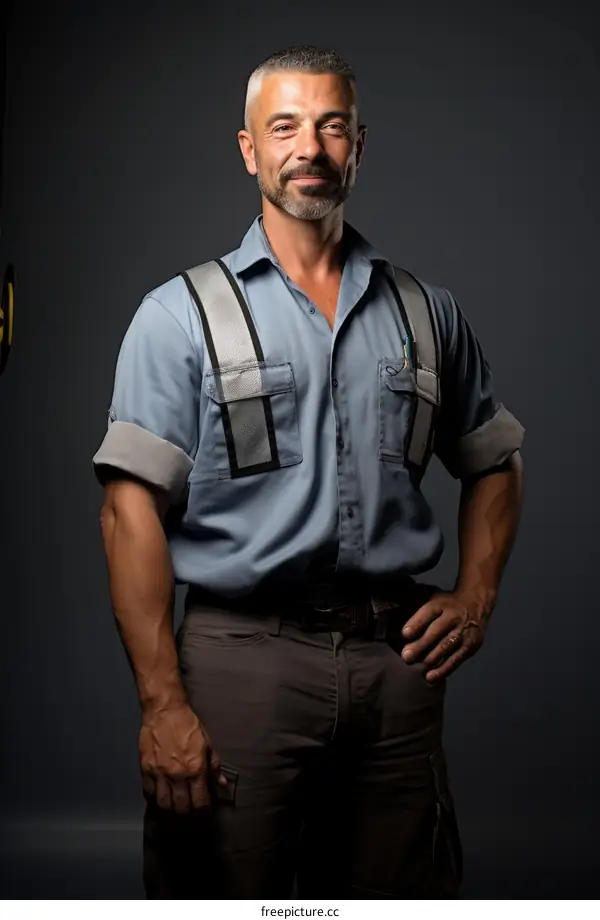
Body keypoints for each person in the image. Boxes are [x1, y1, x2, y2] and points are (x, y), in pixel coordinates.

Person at [92, 45, 525, 899]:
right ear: (250, 149)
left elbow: (496, 459)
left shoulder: (426, 311)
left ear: (359, 146)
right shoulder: (178, 316)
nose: (311, 148)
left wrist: (475, 598)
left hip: (398, 670)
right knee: (219, 893)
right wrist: (162, 705)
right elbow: (127, 512)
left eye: (332, 127)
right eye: (285, 126)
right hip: (240, 665)